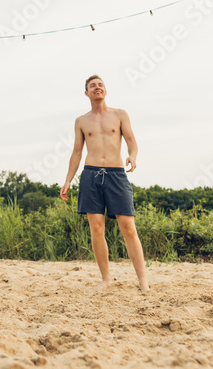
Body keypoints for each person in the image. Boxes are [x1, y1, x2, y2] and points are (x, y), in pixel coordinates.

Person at [61, 75, 149, 291]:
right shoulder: (81, 121)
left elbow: (131, 141)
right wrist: (68, 180)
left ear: (105, 90)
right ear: (87, 93)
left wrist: (133, 156)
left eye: (100, 85)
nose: (97, 87)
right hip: (91, 175)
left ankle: (143, 281)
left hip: (116, 174)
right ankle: (106, 279)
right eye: (92, 86)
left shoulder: (120, 114)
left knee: (128, 226)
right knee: (96, 227)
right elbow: (77, 152)